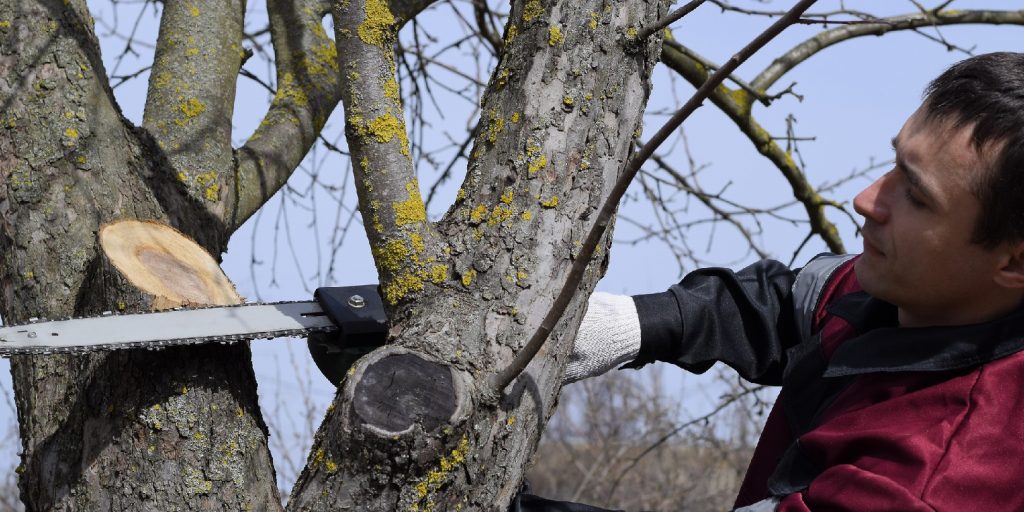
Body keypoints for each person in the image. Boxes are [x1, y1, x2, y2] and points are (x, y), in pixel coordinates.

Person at [519, 52, 1024, 511]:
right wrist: (632, 325)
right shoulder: (926, 291)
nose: (867, 199)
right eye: (895, 162)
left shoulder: (934, 479)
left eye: (917, 195)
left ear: (1014, 264)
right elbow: (786, 302)